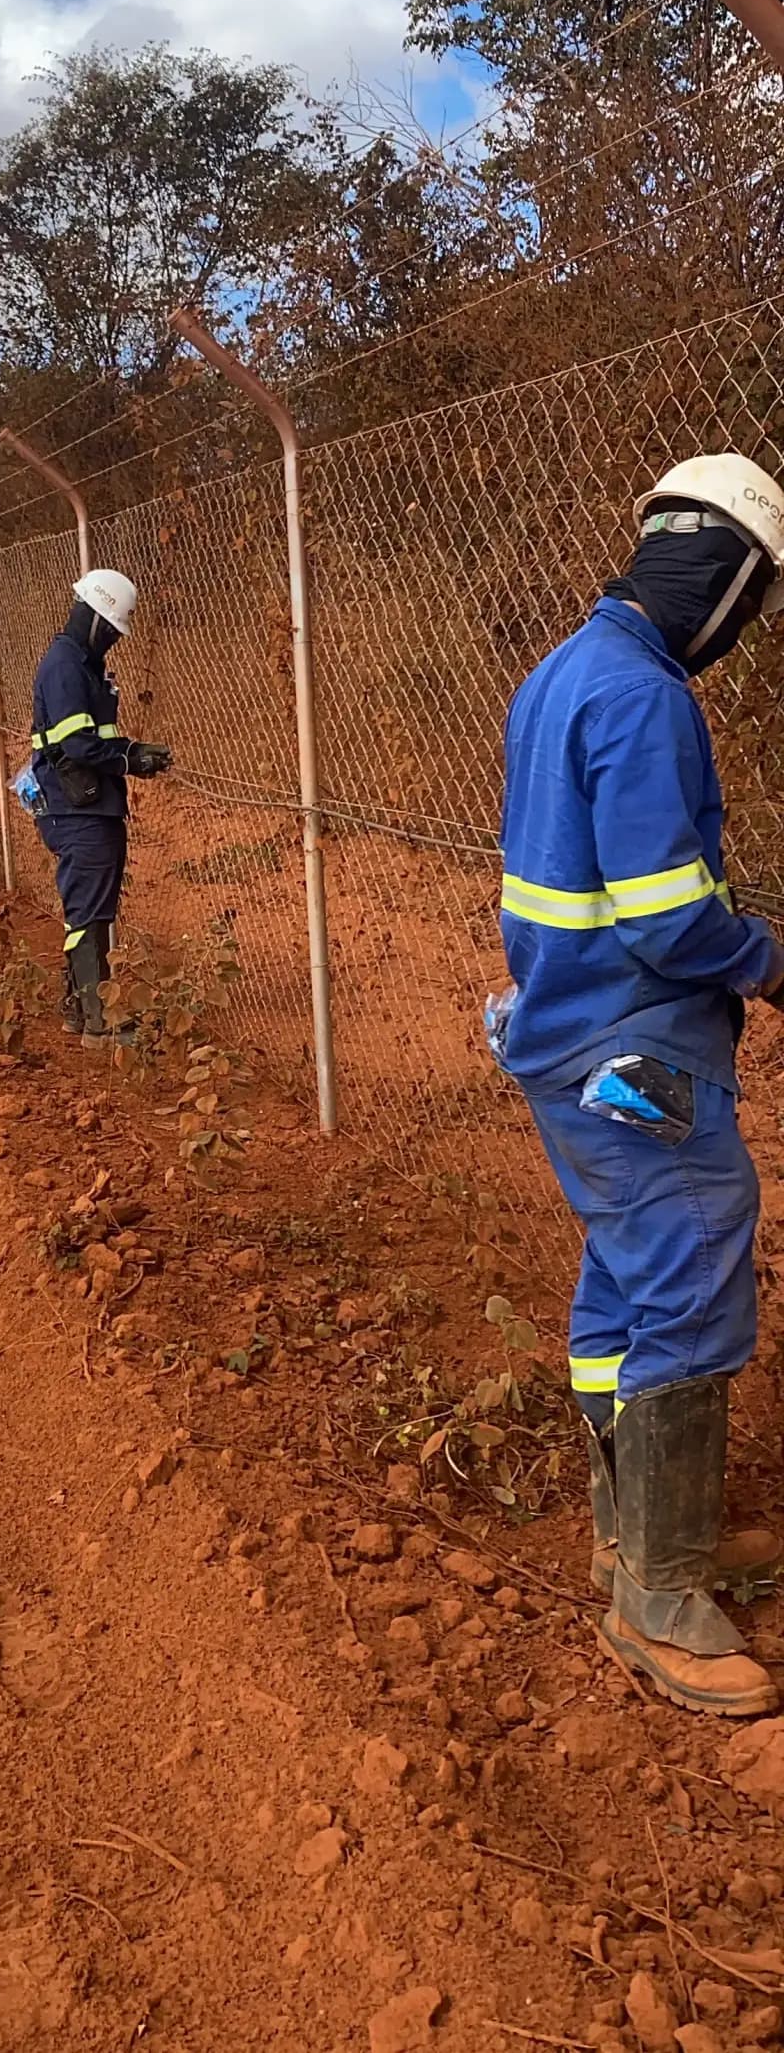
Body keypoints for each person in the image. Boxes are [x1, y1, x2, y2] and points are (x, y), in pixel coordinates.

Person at [495, 452, 784, 1718]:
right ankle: (658, 1594)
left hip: (565, 1031)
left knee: (622, 1271)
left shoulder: (561, 671)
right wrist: (766, 960)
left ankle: (632, 1529)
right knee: (692, 1258)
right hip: (634, 1049)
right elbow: (668, 915)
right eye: (753, 596)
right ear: (724, 575)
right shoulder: (644, 697)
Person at [30, 568, 171, 1044]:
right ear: (93, 617)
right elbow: (77, 744)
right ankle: (98, 1019)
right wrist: (129, 759)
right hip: (78, 810)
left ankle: (79, 1007)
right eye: (111, 629)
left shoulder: (81, 664)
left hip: (88, 806)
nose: (114, 638)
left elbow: (93, 738)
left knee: (89, 908)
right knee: (89, 912)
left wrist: (131, 750)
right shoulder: (66, 666)